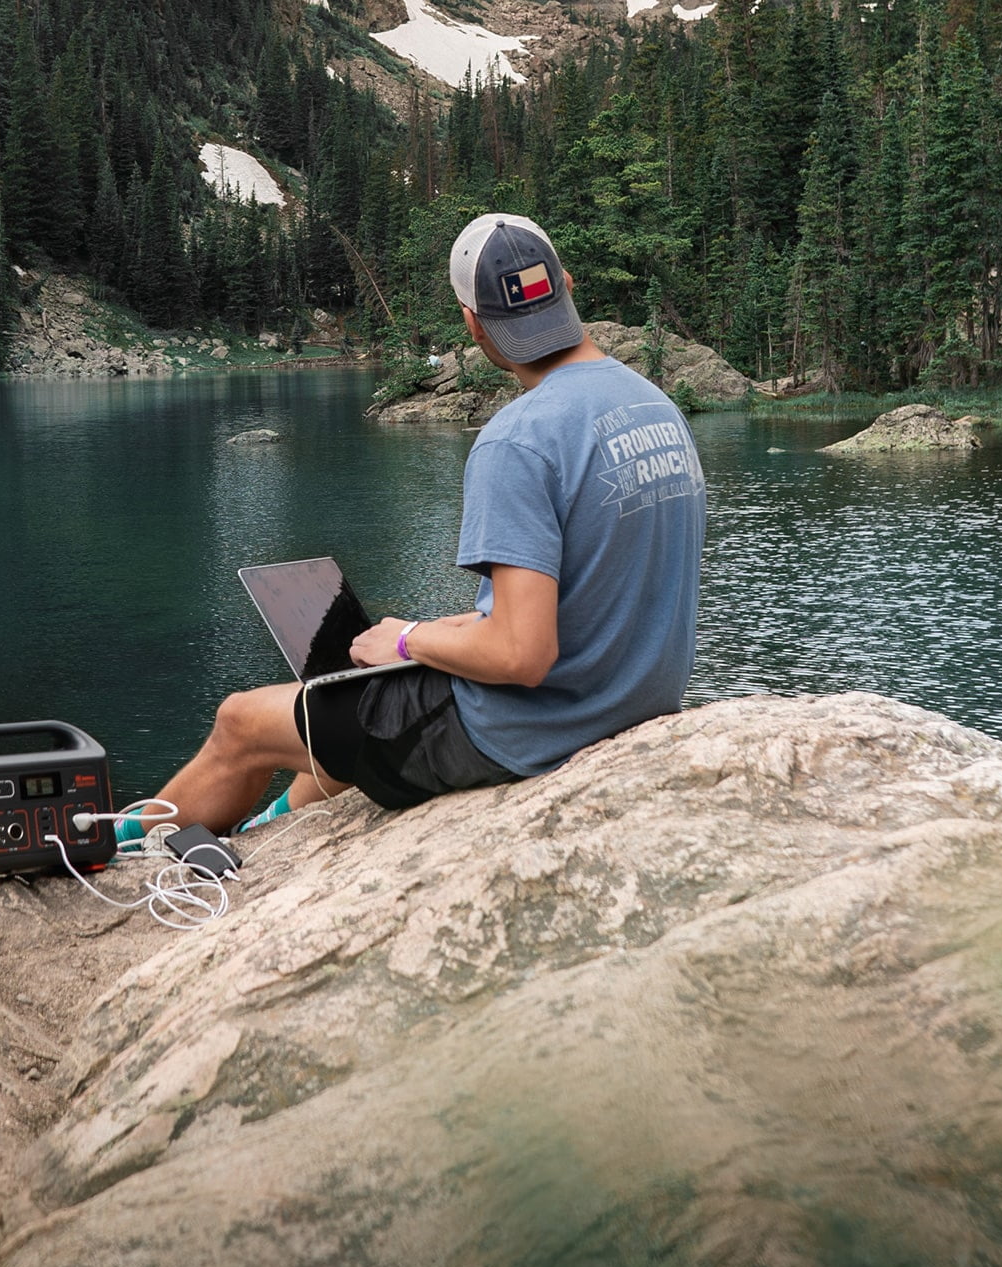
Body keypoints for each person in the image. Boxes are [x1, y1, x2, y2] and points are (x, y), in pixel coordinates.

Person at [147, 213, 707, 836]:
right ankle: (272, 832)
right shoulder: (654, 405)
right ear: (567, 286)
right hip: (626, 705)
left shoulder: (518, 440)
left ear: (472, 321)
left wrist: (411, 641)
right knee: (349, 702)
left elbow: (524, 654)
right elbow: (596, 593)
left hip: (527, 732)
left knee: (241, 722)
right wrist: (438, 634)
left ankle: (113, 849)